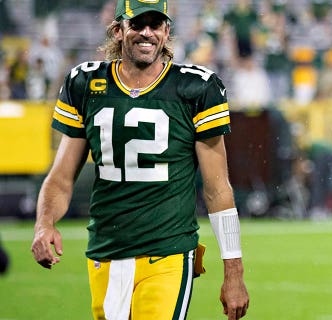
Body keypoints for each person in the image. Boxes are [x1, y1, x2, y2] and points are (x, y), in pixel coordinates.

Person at [29, 1, 249, 319]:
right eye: (137, 24)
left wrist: (234, 270)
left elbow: (217, 190)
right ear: (118, 30)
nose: (147, 32)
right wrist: (44, 224)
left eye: (155, 24)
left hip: (168, 252)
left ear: (166, 32)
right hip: (105, 251)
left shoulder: (196, 88)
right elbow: (62, 177)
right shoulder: (86, 84)